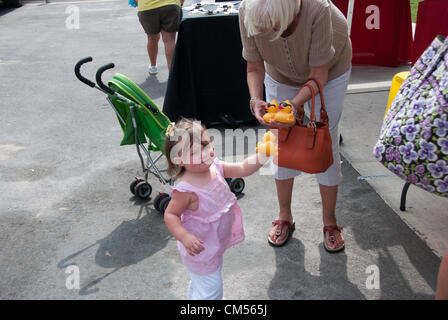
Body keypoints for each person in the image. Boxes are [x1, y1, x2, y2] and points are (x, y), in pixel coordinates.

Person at [239, 0, 352, 251]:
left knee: (326, 142)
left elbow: (318, 76)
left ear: (290, 11)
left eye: (274, 25)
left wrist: (294, 104)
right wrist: (256, 99)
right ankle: (284, 216)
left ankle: (330, 222)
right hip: (280, 75)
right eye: (262, 27)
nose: (268, 31)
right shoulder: (247, 11)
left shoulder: (318, 10)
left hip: (329, 74)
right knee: (281, 142)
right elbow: (254, 66)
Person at [163, 118, 269, 299]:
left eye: (205, 145)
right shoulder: (186, 190)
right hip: (200, 250)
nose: (204, 154)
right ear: (178, 159)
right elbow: (170, 214)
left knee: (202, 284)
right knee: (212, 292)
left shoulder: (216, 167)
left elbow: (243, 168)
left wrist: (264, 155)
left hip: (213, 244)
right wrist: (184, 237)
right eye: (194, 152)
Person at [137, 0, 184, 75]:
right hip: (170, 4)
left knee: (152, 38)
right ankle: (172, 74)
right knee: (169, 40)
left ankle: (153, 66)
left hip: (147, 6)